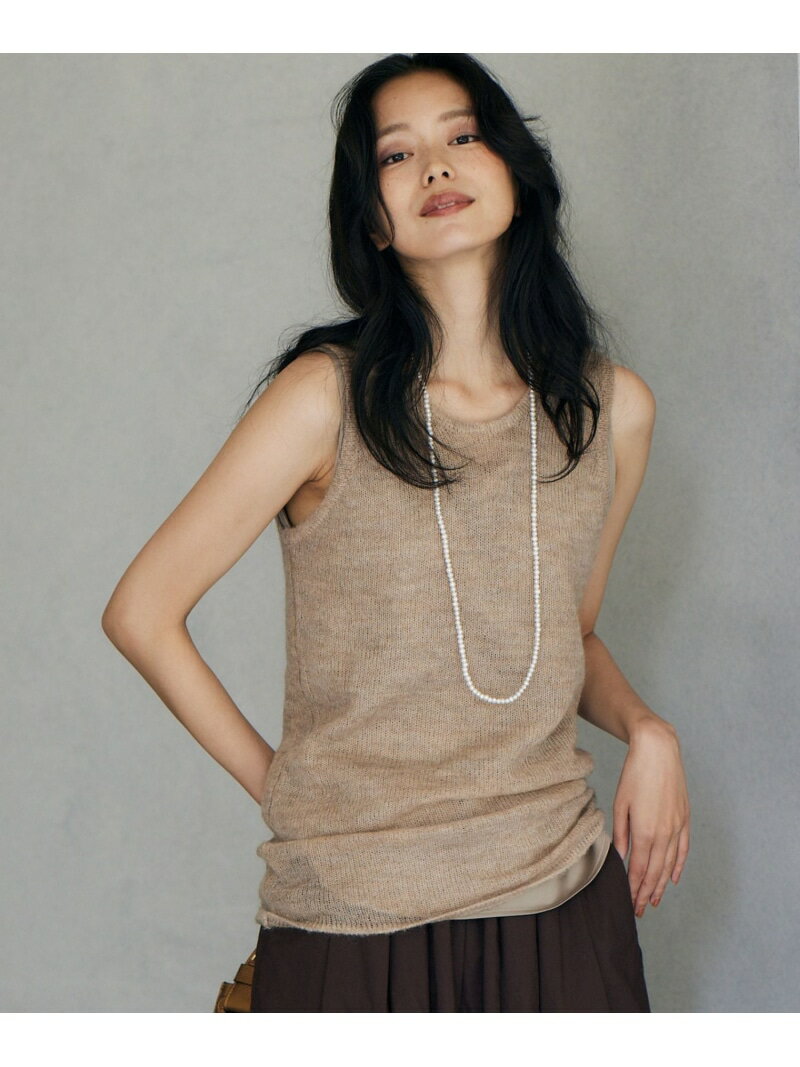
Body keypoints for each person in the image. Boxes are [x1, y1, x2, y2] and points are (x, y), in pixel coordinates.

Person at [102, 53, 690, 1012]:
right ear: (373, 221)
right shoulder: (322, 400)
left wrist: (647, 729)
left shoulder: (609, 411)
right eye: (396, 153)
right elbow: (142, 612)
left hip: (564, 901)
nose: (436, 165)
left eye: (464, 135)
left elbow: (569, 635)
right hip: (352, 920)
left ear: (514, 174)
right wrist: (284, 790)